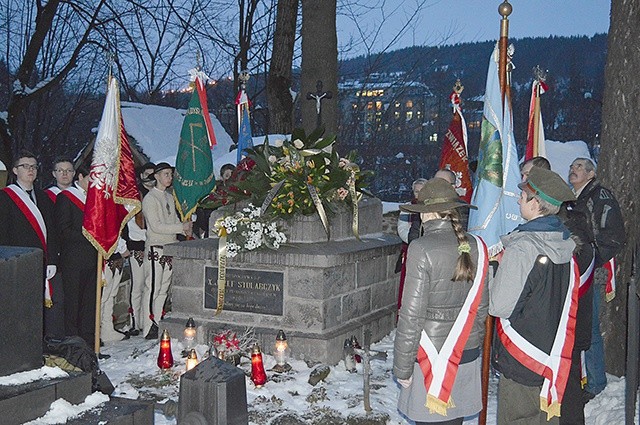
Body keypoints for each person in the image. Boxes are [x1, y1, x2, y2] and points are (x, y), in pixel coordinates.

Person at [393, 178, 488, 425]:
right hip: (465, 350)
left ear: (429, 213)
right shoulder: (477, 246)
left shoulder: (420, 248)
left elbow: (411, 315)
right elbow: (482, 307)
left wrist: (402, 367)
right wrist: (472, 342)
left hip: (430, 356)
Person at [490, 166, 578, 424]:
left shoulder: (525, 246)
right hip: (550, 353)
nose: (518, 200)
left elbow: (499, 306)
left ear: (536, 203)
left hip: (522, 356)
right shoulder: (563, 241)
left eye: (523, 196)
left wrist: (494, 270)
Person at [568, 157, 625, 400]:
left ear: (591, 173)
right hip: (574, 273)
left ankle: (596, 383)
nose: (573, 169)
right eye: (572, 166)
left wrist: (590, 261)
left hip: (590, 273)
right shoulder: (572, 199)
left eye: (579, 166)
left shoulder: (600, 197)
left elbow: (613, 237)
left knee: (589, 330)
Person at [0, 150, 63, 337]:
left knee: (44, 308)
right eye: (25, 166)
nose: (30, 170)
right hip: (18, 264)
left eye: (34, 167)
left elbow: (52, 231)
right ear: (14, 170)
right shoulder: (4, 198)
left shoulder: (43, 197)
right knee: (20, 308)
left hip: (42, 262)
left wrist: (52, 259)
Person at [141, 162, 192, 339]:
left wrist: (183, 227)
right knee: (152, 287)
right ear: (156, 176)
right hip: (156, 247)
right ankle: (148, 324)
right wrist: (180, 227)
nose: (169, 178)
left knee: (163, 288)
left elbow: (174, 220)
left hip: (169, 248)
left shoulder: (169, 197)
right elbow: (156, 226)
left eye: (170, 174)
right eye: (165, 174)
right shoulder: (150, 199)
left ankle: (158, 320)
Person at [55, 166, 98, 346]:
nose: (94, 184)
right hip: (73, 259)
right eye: (90, 179)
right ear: (80, 176)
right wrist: (88, 233)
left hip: (92, 257)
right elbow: (63, 230)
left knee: (89, 304)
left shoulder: (94, 199)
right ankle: (73, 344)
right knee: (73, 303)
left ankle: (89, 343)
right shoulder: (66, 197)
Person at [122, 162, 155, 336]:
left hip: (155, 246)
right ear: (141, 176)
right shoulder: (135, 196)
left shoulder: (159, 195)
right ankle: (135, 321)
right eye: (147, 174)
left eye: (153, 174)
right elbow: (131, 225)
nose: (150, 178)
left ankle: (148, 320)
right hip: (138, 247)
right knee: (138, 284)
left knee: (152, 285)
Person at [395, 178, 427, 313]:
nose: (418, 194)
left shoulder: (430, 207)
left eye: (421, 191)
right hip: (411, 247)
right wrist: (414, 240)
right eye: (416, 191)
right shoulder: (408, 207)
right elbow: (402, 229)